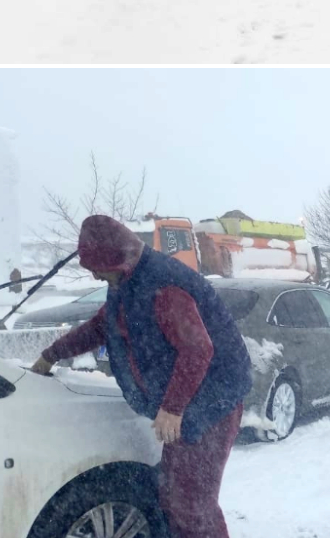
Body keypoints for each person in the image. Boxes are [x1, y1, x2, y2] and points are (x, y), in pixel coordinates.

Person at [31, 215, 252, 537]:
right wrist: (50, 356)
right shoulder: (127, 283)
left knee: (192, 504)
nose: (93, 274)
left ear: (116, 261)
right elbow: (100, 327)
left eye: (97, 266)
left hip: (211, 403)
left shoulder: (162, 287)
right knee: (175, 497)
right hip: (192, 401)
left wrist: (173, 408)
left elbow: (197, 350)